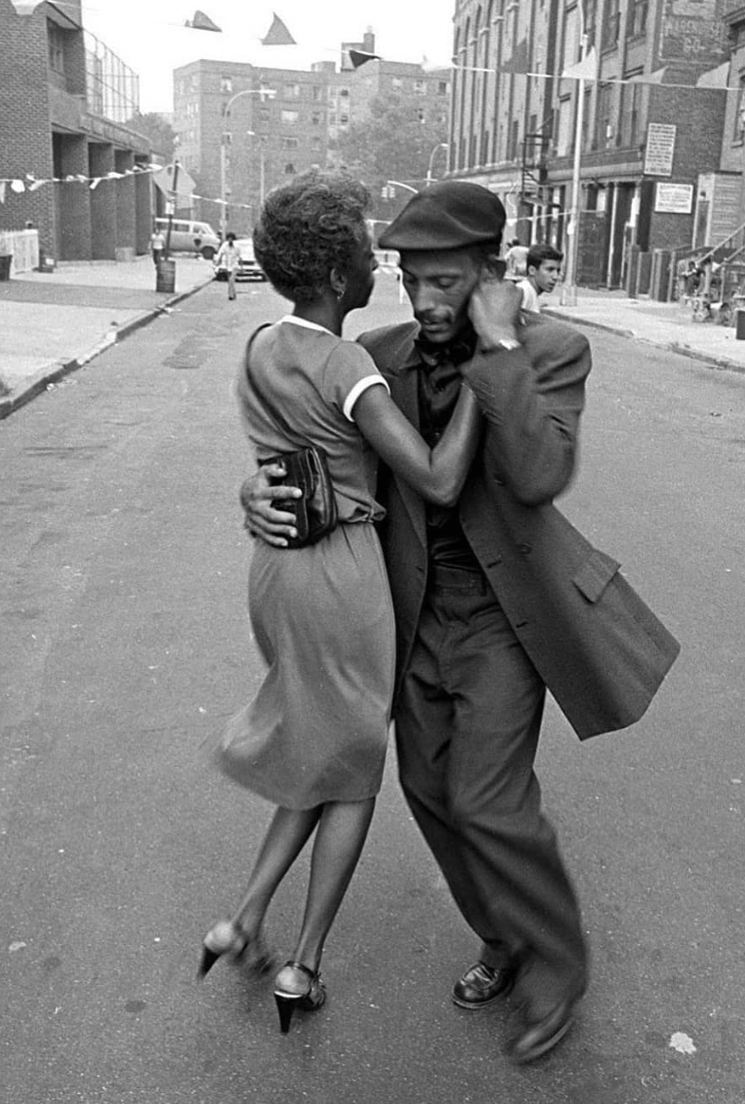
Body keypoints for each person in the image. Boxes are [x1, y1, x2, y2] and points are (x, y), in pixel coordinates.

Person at [243, 181, 679, 1063]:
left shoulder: (553, 350)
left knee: (488, 795)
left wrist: (501, 346)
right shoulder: (374, 352)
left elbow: (538, 473)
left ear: (491, 274)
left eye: (447, 284)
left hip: (503, 617)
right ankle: (503, 934)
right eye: (412, 281)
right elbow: (314, 460)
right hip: (400, 614)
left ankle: (556, 969)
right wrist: (255, 493)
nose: (426, 301)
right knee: (430, 794)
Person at [199, 171, 481, 1037]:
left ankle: (242, 919)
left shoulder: (258, 345)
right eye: (364, 252)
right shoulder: (346, 362)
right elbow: (433, 479)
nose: (377, 265)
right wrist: (485, 379)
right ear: (332, 277)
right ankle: (304, 961)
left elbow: (281, 452)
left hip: (275, 571)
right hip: (343, 578)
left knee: (320, 749)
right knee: (353, 773)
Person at [519, 243, 563, 312]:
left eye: (558, 271)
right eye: (550, 270)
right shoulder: (524, 292)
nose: (555, 277)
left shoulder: (530, 292)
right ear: (532, 270)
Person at [214, 232, 240, 301]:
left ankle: (230, 295)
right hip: (227, 265)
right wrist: (218, 262)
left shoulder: (237, 246)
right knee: (230, 281)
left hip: (235, 265)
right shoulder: (225, 245)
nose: (230, 241)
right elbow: (221, 253)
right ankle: (233, 294)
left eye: (231, 239)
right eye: (229, 239)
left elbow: (239, 256)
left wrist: (242, 267)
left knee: (231, 280)